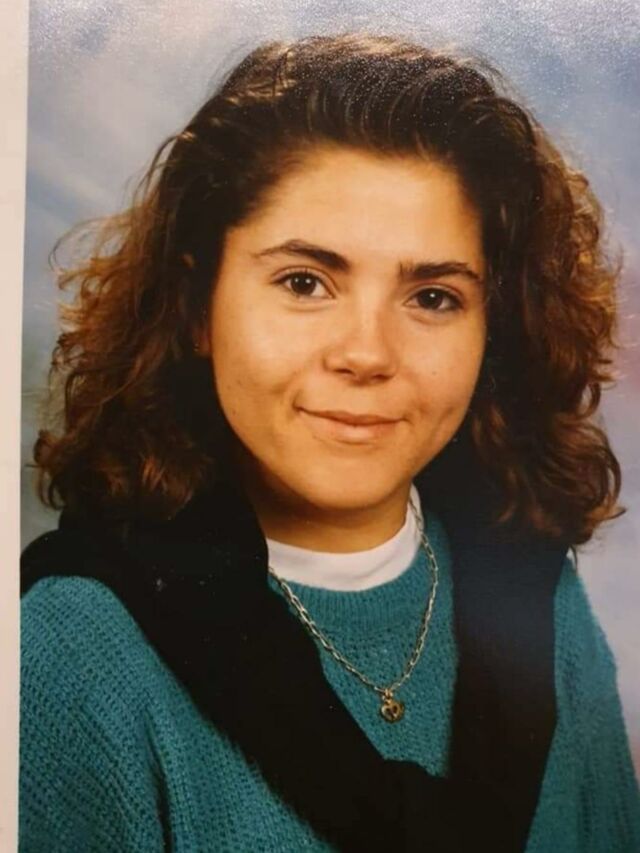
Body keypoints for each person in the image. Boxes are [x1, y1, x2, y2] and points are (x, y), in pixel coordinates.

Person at [19, 33, 640, 852]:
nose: (367, 353)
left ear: (495, 330)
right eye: (305, 282)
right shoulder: (70, 652)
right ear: (197, 306)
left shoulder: (537, 598)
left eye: (433, 296)